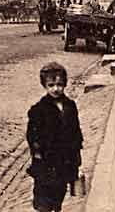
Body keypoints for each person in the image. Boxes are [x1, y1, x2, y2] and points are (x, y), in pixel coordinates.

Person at [26, 62, 83, 212]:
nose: (56, 89)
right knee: (43, 199)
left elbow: (75, 132)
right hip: (46, 162)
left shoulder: (70, 106)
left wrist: (76, 159)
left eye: (59, 84)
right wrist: (38, 153)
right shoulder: (38, 110)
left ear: (64, 84)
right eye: (51, 85)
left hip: (64, 161)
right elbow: (32, 135)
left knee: (59, 194)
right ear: (44, 86)